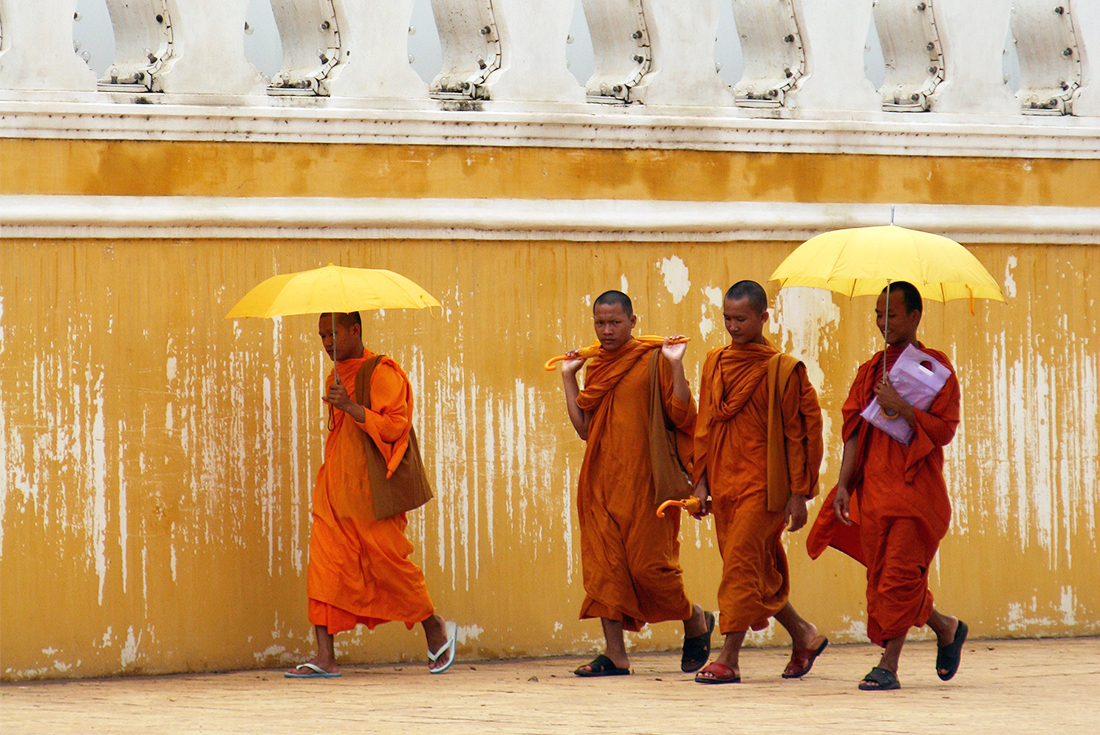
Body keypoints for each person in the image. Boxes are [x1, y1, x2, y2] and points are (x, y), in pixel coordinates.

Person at [806, 281, 968, 691]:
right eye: (878, 315)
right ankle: (946, 627)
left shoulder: (935, 369)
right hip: (876, 491)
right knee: (887, 579)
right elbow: (853, 433)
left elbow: (945, 430)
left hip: (916, 492)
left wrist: (903, 408)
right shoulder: (870, 371)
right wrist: (844, 485)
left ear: (914, 317)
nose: (883, 323)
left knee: (897, 579)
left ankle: (888, 665)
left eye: (891, 315)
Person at [286, 312, 456, 678]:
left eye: (332, 334)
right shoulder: (335, 377)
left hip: (370, 494)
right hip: (334, 490)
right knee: (324, 567)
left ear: (355, 330)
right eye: (321, 336)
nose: (326, 343)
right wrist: (342, 404)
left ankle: (434, 626)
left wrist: (350, 406)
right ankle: (325, 656)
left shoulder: (381, 372)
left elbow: (396, 426)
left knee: (389, 565)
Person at [560, 291, 713, 677]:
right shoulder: (597, 367)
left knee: (651, 568)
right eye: (600, 323)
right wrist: (568, 377)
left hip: (646, 485)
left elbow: (683, 414)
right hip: (600, 483)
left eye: (615, 322)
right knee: (604, 570)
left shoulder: (653, 359)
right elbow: (584, 428)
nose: (607, 330)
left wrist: (676, 365)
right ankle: (615, 655)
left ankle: (694, 617)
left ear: (632, 321)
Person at [689, 281, 827, 684]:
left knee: (739, 567)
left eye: (741, 319)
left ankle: (728, 658)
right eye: (727, 318)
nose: (733, 326)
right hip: (723, 482)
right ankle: (803, 634)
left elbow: (799, 435)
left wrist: (799, 494)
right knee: (753, 569)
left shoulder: (783, 370)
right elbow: (704, 425)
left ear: (764, 318)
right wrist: (700, 482)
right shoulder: (715, 362)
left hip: (765, 487)